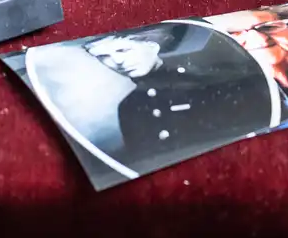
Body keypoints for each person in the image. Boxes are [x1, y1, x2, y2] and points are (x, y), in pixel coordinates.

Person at [82, 22, 277, 172]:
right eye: (103, 56)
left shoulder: (208, 77)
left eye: (123, 50)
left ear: (152, 46)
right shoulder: (129, 107)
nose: (117, 61)